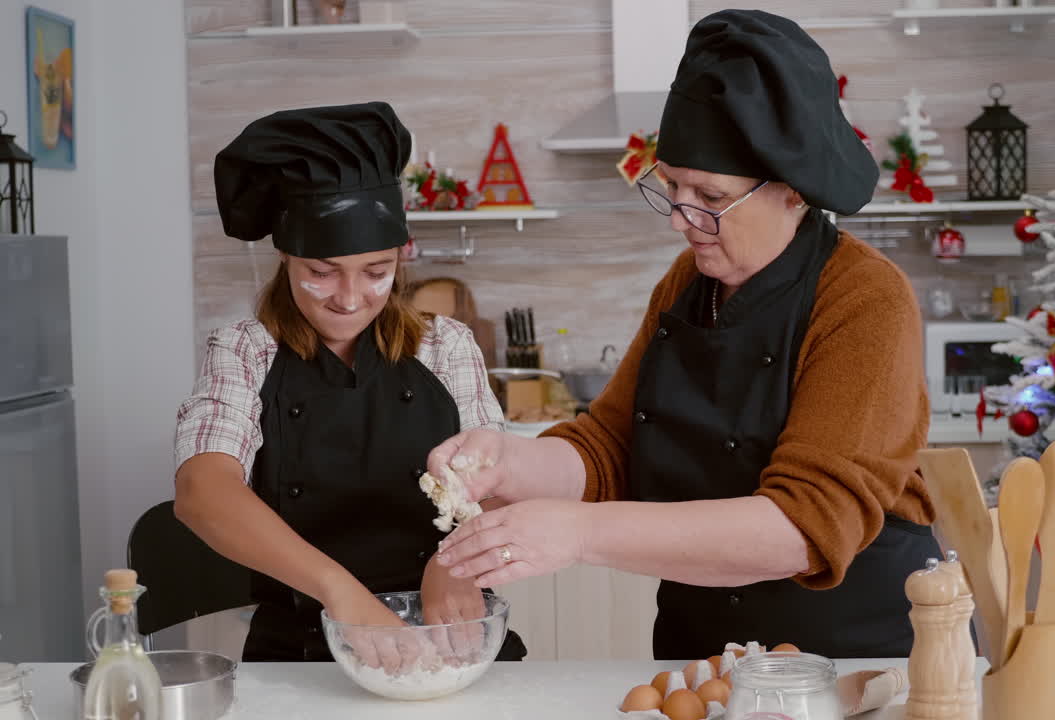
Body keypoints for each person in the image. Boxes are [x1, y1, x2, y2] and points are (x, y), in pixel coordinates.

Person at [426, 10, 939, 661]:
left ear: (792, 192)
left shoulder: (864, 298)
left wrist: (578, 534)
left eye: (709, 195)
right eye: (671, 187)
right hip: (701, 649)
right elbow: (609, 445)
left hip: (847, 655)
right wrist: (508, 461)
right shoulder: (687, 283)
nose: (681, 220)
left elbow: (802, 527)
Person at [172, 102, 525, 665]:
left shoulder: (446, 345)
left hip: (451, 630)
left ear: (401, 259)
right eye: (321, 271)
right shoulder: (243, 351)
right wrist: (344, 596)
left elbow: (500, 484)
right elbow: (201, 494)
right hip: (300, 646)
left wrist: (454, 562)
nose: (351, 297)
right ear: (285, 257)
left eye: (377, 272)